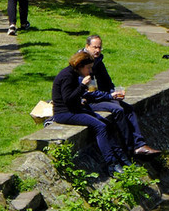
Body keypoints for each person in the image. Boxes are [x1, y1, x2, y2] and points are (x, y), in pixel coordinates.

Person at [50, 47, 131, 175]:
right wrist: (82, 85)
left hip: (76, 109)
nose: (90, 71)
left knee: (107, 124)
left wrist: (110, 96)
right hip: (64, 113)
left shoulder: (75, 74)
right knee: (100, 126)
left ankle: (123, 158)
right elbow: (68, 99)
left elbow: (87, 95)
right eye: (88, 68)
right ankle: (111, 163)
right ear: (80, 66)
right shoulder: (67, 76)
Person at [83, 32, 159, 159]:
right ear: (87, 46)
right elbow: (89, 91)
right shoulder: (82, 63)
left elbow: (107, 81)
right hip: (89, 100)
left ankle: (140, 145)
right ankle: (129, 149)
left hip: (101, 95)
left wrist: (115, 92)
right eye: (95, 47)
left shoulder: (98, 61)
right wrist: (110, 96)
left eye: (99, 47)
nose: (97, 50)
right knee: (118, 109)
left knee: (129, 109)